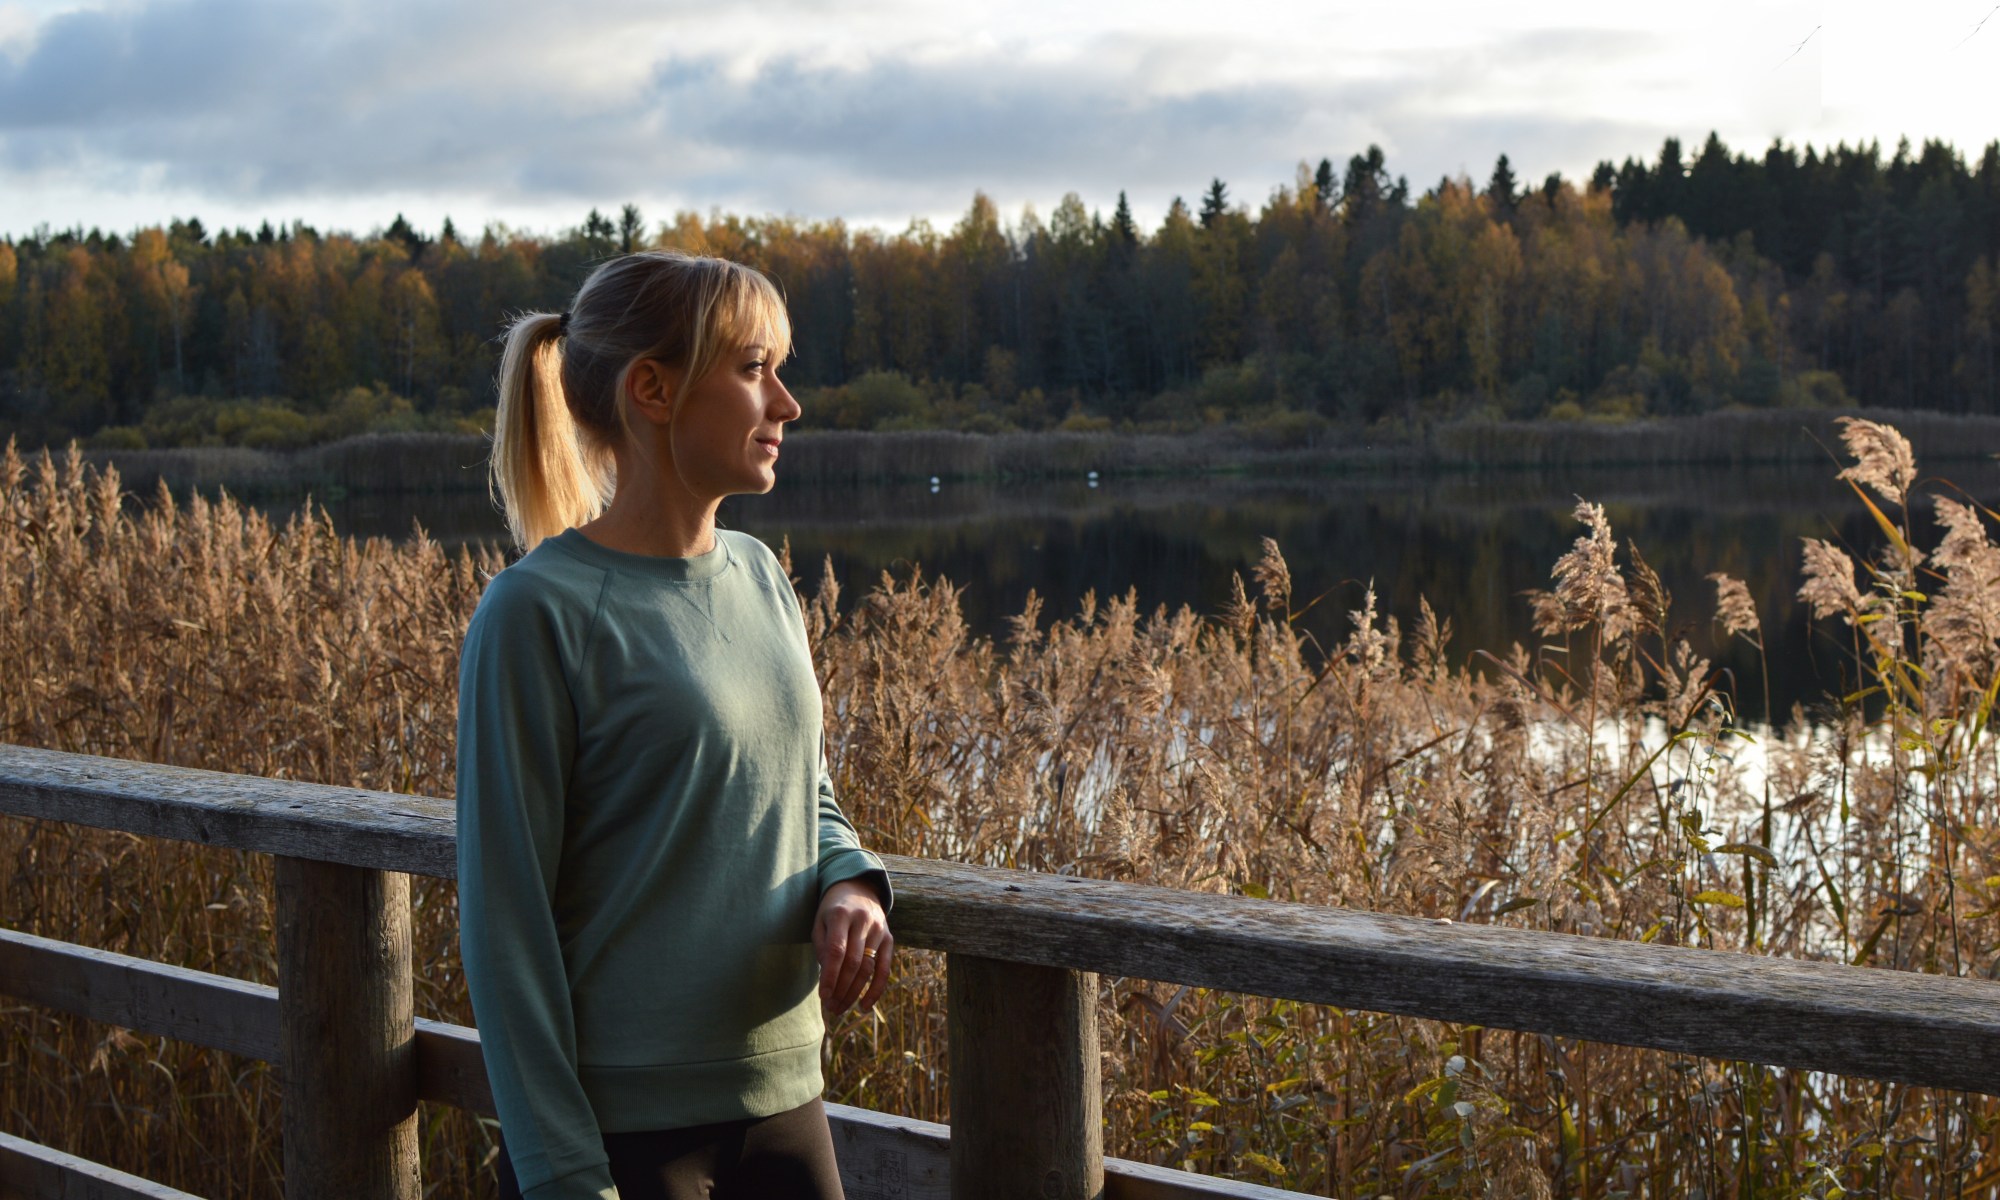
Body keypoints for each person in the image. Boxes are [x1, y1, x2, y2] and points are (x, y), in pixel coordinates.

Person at [455, 250, 894, 1200]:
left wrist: (850, 879)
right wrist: (564, 1174)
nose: (787, 404)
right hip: (623, 1143)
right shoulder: (538, 613)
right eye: (752, 369)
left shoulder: (762, 577)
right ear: (652, 389)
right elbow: (504, 924)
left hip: (788, 1110)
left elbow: (799, 789)